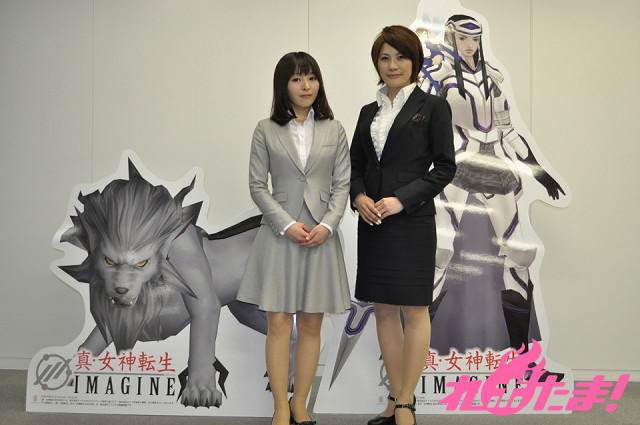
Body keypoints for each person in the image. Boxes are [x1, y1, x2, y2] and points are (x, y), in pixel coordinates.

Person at [420, 15, 565, 350]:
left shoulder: (493, 78)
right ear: (451, 38)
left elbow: (508, 131)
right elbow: (421, 128)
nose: (469, 45)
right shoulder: (437, 78)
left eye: (475, 38)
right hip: (454, 166)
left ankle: (521, 355)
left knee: (519, 255)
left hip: (496, 165)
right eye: (462, 38)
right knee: (440, 252)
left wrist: (538, 171)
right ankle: (416, 354)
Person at [236, 52, 351, 425]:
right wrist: (286, 224)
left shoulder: (334, 129)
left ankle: (300, 403)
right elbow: (257, 185)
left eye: (312, 78)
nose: (306, 86)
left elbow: (342, 185)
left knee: (312, 324)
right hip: (280, 236)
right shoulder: (265, 129)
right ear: (283, 84)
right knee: (280, 324)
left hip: (321, 235)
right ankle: (281, 407)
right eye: (297, 79)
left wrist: (328, 225)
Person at [350, 26, 456, 425]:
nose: (392, 65)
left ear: (415, 61)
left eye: (400, 57)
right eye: (384, 58)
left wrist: (402, 199)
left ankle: (407, 403)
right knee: (383, 310)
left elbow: (444, 168)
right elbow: (356, 166)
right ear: (376, 63)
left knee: (414, 310)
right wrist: (359, 197)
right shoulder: (368, 111)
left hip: (411, 222)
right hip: (373, 223)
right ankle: (394, 399)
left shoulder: (433, 107)